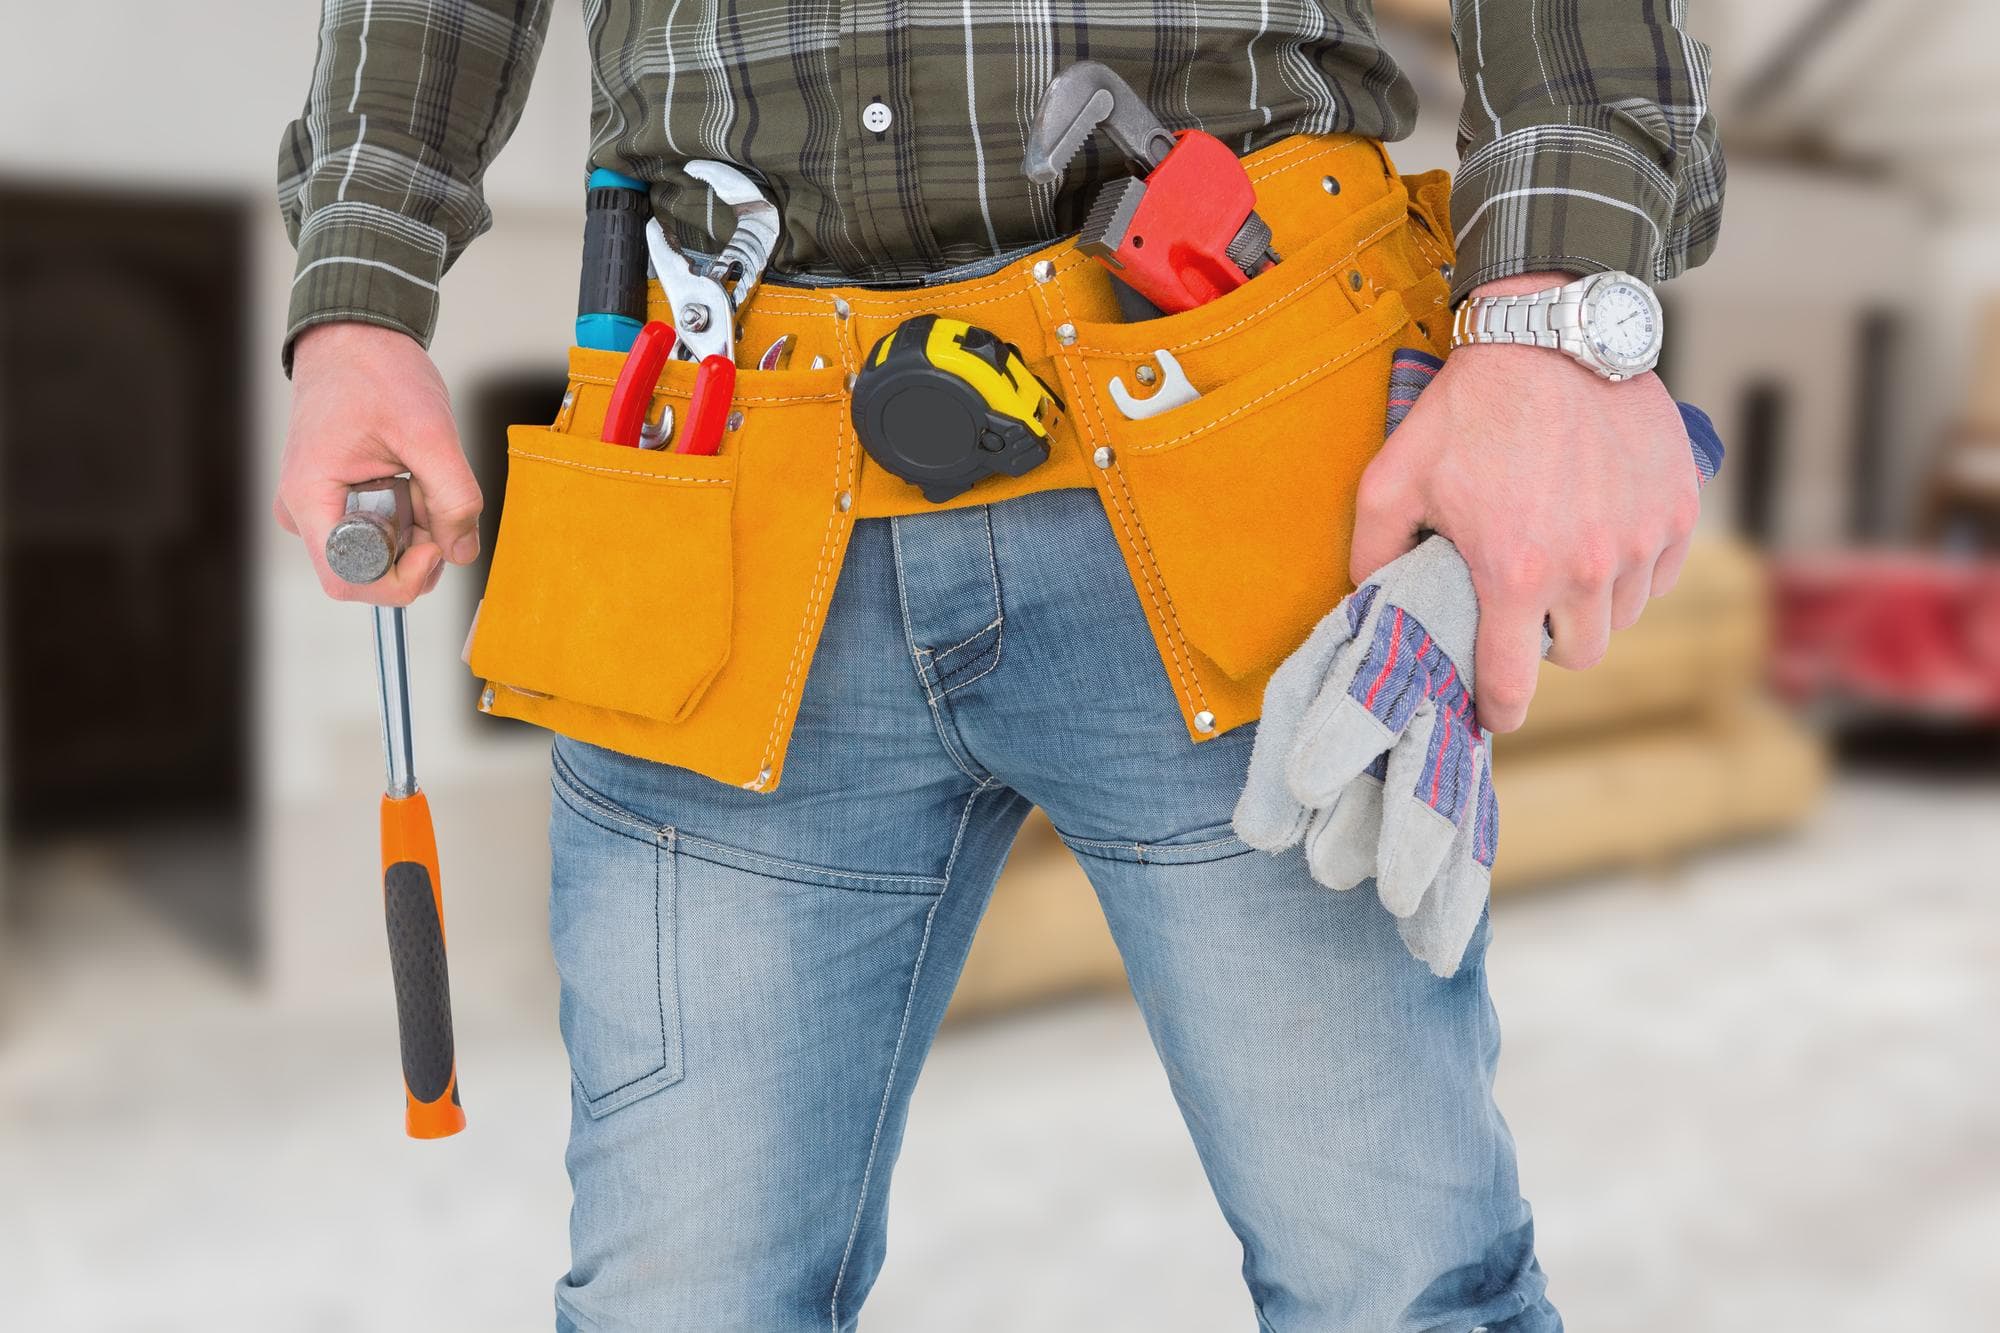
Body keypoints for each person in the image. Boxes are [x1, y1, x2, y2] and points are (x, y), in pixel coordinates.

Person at [275, 4, 1721, 1328]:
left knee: (1399, 1284)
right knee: (676, 1303)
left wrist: (1556, 308)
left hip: (1241, 422)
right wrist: (358, 294)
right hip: (724, 472)